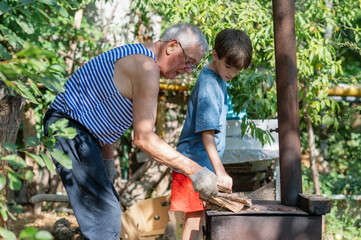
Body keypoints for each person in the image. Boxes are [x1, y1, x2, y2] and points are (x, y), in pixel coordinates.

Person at [42, 23, 220, 240]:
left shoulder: (138, 56)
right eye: (189, 62)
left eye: (193, 67)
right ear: (172, 46)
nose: (188, 71)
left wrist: (107, 158)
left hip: (78, 130)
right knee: (105, 217)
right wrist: (196, 171)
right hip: (69, 127)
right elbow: (144, 138)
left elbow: (100, 110)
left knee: (106, 214)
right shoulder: (147, 67)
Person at [170, 28, 253, 240]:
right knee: (194, 220)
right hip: (194, 166)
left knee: (200, 219)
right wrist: (221, 172)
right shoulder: (208, 83)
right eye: (229, 66)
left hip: (202, 167)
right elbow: (207, 133)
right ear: (215, 55)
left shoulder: (219, 80)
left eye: (238, 69)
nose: (232, 73)